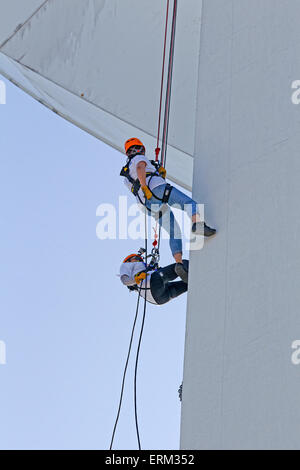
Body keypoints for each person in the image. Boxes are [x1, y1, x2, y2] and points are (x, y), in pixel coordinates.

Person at [121, 137, 216, 279]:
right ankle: (197, 224)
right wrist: (147, 185)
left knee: (174, 232)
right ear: (140, 149)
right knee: (188, 203)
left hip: (146, 205)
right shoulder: (139, 158)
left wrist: (155, 175)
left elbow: (137, 181)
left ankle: (179, 264)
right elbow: (141, 167)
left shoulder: (126, 175)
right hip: (156, 188)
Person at [120, 253, 189, 306]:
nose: (139, 259)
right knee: (181, 264)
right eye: (136, 258)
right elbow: (125, 280)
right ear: (128, 261)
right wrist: (136, 279)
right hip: (152, 282)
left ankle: (194, 282)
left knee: (188, 285)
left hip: (159, 300)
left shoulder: (143, 268)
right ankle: (195, 268)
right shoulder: (125, 265)